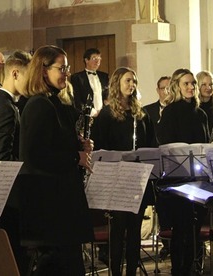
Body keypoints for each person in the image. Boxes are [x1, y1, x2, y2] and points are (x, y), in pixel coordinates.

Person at [17, 45, 93, 275]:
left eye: (67, 67)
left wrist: (78, 143)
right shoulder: (39, 105)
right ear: (43, 70)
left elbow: (54, 142)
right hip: (50, 208)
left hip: (60, 206)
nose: (67, 73)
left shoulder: (55, 102)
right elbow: (34, 156)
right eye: (62, 68)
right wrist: (75, 157)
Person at [90, 67, 157, 275]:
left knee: (135, 230)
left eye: (134, 81)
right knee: (118, 229)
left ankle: (131, 271)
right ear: (117, 83)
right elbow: (99, 147)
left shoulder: (141, 115)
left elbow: (151, 145)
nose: (132, 85)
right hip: (117, 179)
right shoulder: (107, 116)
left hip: (138, 178)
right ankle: (116, 271)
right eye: (128, 81)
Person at [0, 50, 32, 274]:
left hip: (7, 196)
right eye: (28, 76)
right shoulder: (4, 106)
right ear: (15, 73)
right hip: (7, 198)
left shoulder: (6, 104)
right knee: (11, 262)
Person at [156, 68, 209, 275]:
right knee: (181, 229)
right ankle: (179, 270)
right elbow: (167, 146)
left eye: (193, 84)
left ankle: (193, 267)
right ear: (177, 86)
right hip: (178, 179)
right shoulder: (170, 112)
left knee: (194, 230)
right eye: (186, 84)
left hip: (199, 178)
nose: (191, 87)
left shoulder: (201, 113)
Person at [70, 48, 109, 115]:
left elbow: (107, 95)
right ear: (86, 60)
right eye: (94, 59)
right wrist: (92, 112)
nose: (97, 61)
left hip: (103, 115)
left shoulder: (104, 76)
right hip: (87, 115)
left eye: (99, 59)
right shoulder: (77, 77)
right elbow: (77, 100)